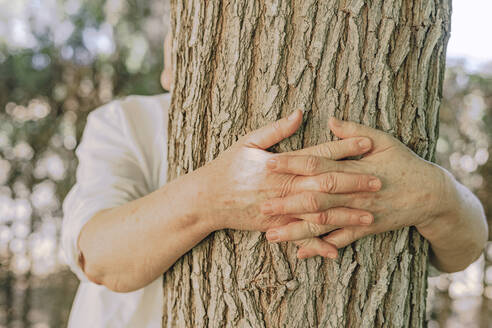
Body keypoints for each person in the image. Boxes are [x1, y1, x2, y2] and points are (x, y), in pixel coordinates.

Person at [61, 24, 488, 328]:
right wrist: (212, 197)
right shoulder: (125, 122)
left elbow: (463, 249)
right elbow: (101, 258)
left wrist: (437, 194)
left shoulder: (390, 119)